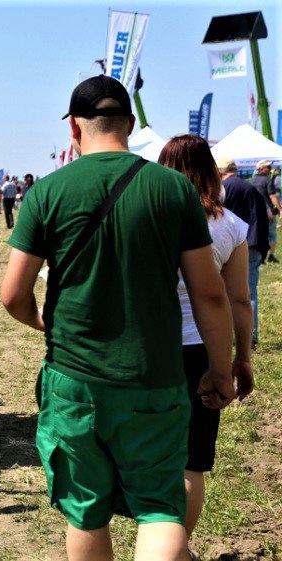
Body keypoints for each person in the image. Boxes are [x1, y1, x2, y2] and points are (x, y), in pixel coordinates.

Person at [0, 75, 235, 561]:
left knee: (86, 510)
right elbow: (210, 296)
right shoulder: (174, 190)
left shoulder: (47, 191)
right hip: (156, 378)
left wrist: (43, 324)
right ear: (129, 124)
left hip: (75, 381)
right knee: (159, 511)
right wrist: (220, 368)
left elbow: (13, 295)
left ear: (74, 128)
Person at [158, 134, 256, 541]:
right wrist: (241, 359)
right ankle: (177, 548)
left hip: (148, 346)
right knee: (191, 460)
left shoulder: (149, 216)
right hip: (202, 349)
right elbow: (239, 299)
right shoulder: (229, 226)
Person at [219, 158, 269, 347]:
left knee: (225, 292)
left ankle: (229, 334)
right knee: (250, 293)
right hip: (254, 243)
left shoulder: (223, 188)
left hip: (234, 245)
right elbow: (264, 215)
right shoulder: (249, 188)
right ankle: (251, 336)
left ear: (220, 170)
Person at [249, 160, 281, 263]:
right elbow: (272, 196)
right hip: (269, 212)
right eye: (268, 167)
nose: (270, 169)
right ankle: (270, 256)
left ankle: (261, 257)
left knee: (259, 234)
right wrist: (280, 209)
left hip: (255, 212)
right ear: (262, 168)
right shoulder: (267, 180)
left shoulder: (251, 181)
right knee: (271, 234)